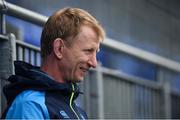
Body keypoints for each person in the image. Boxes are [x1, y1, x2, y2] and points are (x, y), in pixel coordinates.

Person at [2, 7, 105, 119]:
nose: (94, 63)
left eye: (96, 53)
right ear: (59, 48)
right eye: (88, 51)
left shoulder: (78, 112)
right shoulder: (30, 105)